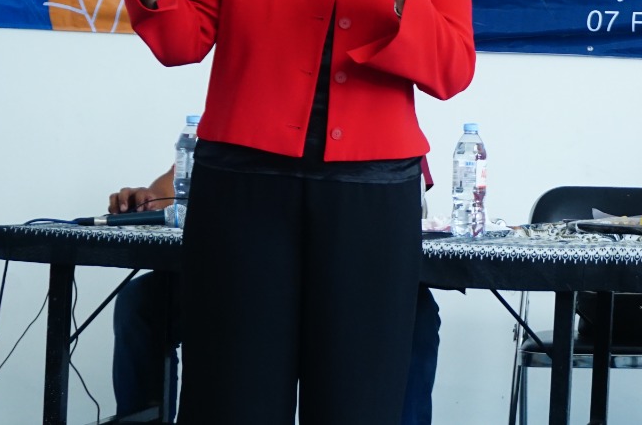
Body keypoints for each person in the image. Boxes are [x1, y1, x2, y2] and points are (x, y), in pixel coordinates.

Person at [119, 0, 476, 425]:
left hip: (372, 195)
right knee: (233, 400)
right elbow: (178, 40)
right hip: (243, 189)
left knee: (358, 404)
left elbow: (451, 71)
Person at [106, 166, 444, 424]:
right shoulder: (248, 113)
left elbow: (408, 210)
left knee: (416, 312)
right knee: (143, 301)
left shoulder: (380, 120)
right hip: (244, 275)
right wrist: (147, 198)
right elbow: (175, 187)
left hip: (343, 281)